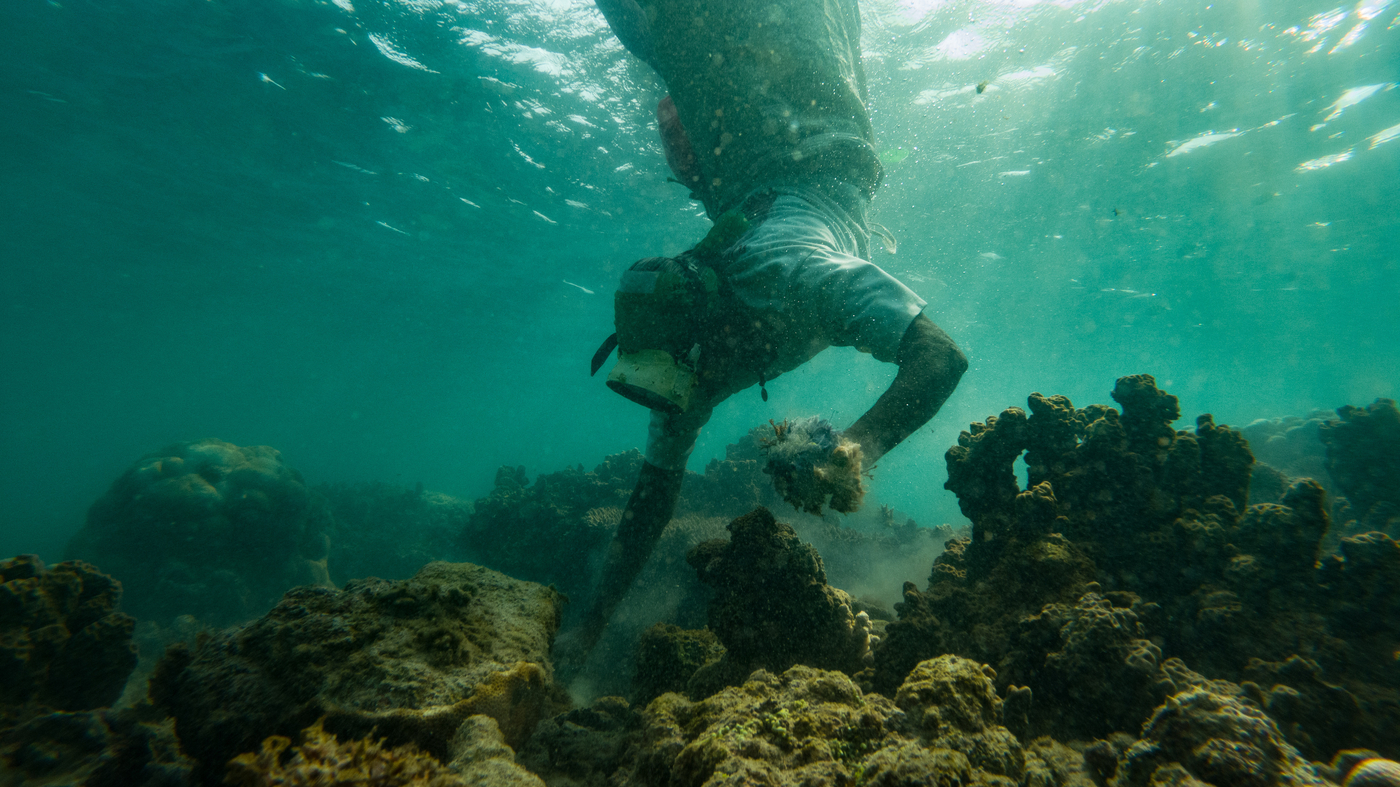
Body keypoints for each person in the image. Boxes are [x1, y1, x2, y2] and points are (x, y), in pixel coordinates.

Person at [575, 0, 967, 661]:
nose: (684, 389)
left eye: (680, 370)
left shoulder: (788, 271)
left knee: (669, 34)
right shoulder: (679, 368)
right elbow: (652, 495)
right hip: (760, 161)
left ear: (709, 324)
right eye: (664, 382)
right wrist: (592, 621)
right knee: (664, 39)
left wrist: (853, 451)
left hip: (812, 140)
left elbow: (941, 356)